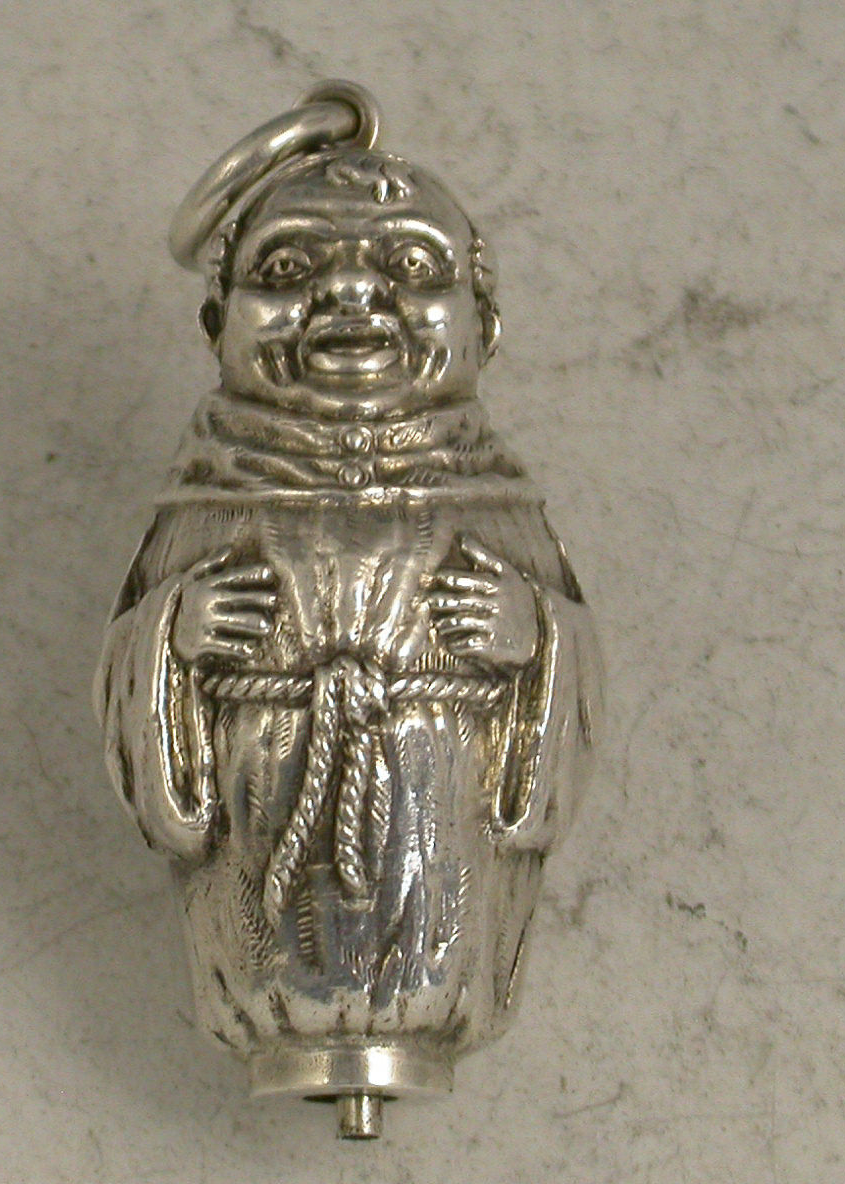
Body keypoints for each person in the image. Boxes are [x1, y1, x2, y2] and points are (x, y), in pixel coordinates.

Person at [96, 146, 601, 1092]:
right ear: (217, 324)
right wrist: (171, 633)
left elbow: (571, 666)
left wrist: (536, 638)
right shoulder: (206, 499)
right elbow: (128, 661)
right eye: (291, 268)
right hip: (260, 815)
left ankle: (427, 1013)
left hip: (440, 822)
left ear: (485, 326)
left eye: (409, 265)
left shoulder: (494, 498)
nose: (353, 296)